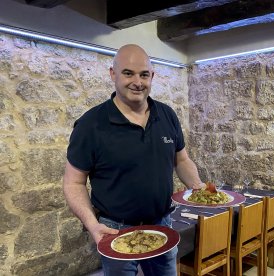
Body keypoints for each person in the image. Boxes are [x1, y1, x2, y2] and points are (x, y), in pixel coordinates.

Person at [63, 44, 205, 276]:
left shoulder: (167, 115)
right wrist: (92, 224)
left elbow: (182, 160)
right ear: (113, 74)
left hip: (162, 225)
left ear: (152, 76)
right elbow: (73, 182)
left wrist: (197, 188)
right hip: (116, 230)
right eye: (128, 73)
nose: (137, 82)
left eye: (144, 74)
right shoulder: (90, 125)